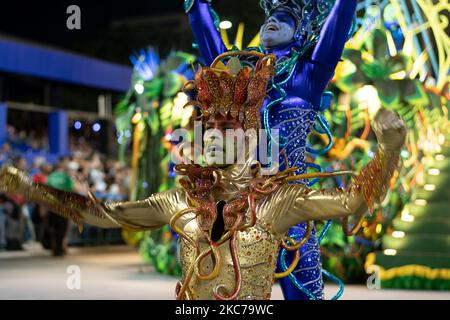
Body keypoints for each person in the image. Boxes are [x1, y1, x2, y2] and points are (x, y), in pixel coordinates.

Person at [0, 52, 407, 300]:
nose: (210, 139)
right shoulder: (180, 202)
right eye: (206, 129)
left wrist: (387, 151)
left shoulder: (277, 202)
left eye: (224, 131)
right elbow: (103, 214)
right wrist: (35, 191)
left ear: (249, 138)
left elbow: (353, 201)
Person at [185, 0, 358, 299]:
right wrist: (196, 6)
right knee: (234, 293)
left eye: (284, 19)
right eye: (269, 19)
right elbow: (212, 47)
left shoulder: (309, 74)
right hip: (245, 208)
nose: (271, 23)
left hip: (292, 206)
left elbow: (338, 23)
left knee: (306, 293)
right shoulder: (245, 78)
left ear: (300, 32)